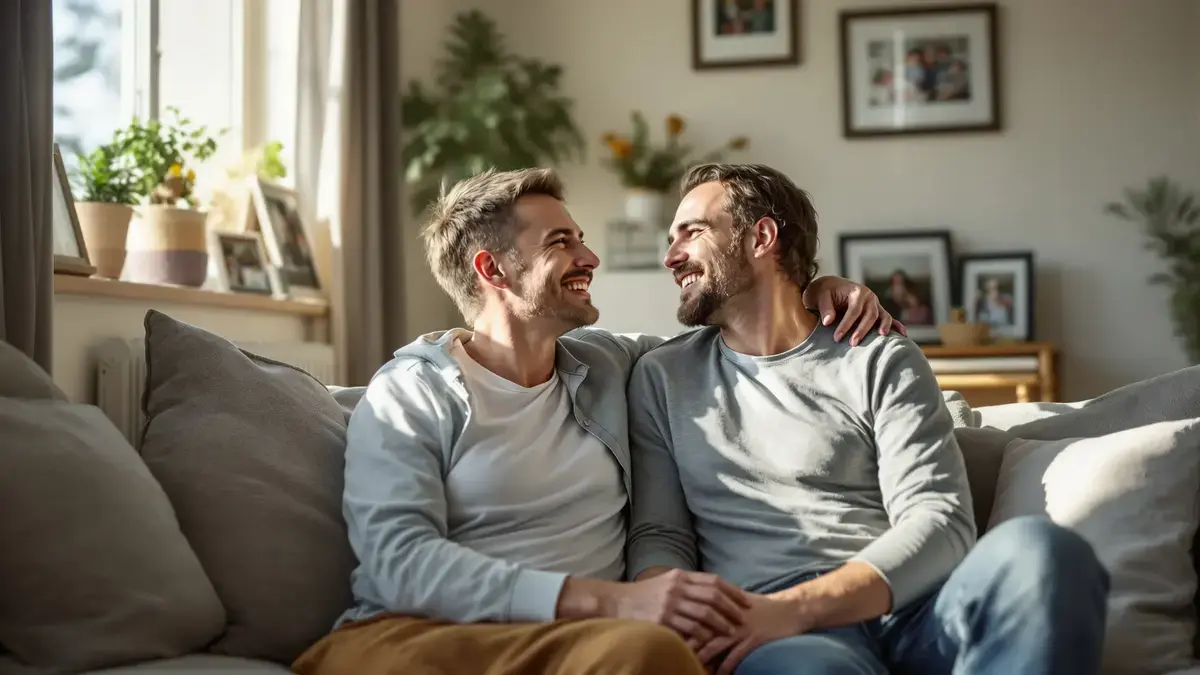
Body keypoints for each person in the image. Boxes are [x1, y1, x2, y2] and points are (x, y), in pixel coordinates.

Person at [291, 167, 904, 675]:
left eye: (581, 237)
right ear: (491, 270)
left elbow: (743, 321)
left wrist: (812, 286)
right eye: (561, 242)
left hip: (574, 645)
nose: (590, 256)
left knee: (651, 655)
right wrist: (616, 601)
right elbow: (400, 562)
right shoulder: (410, 392)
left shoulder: (614, 365)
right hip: (418, 639)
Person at [626, 163, 1111, 675]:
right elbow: (662, 534)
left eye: (692, 233)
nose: (670, 256)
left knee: (1044, 551)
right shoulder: (663, 377)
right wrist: (683, 619)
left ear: (761, 237)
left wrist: (793, 609)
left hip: (911, 609)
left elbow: (940, 522)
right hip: (777, 633)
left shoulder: (876, 356)